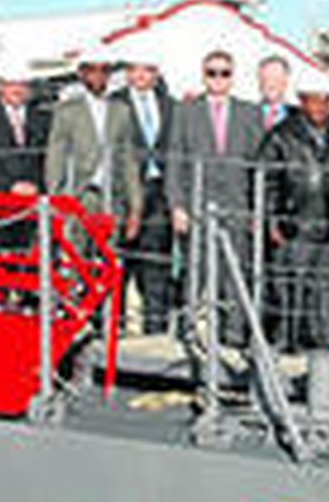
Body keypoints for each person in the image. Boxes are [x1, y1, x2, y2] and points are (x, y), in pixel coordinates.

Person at [166, 50, 263, 341]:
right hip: (197, 203)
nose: (218, 78)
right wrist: (177, 205)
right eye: (212, 72)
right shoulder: (185, 111)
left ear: (232, 77)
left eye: (224, 73)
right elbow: (174, 160)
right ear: (203, 74)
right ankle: (192, 330)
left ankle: (234, 333)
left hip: (237, 204)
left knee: (235, 273)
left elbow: (259, 166)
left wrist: (256, 210)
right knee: (196, 269)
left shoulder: (249, 112)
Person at [258, 69, 329, 349]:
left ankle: (322, 340)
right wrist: (271, 221)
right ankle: (287, 341)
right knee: (289, 287)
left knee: (325, 288)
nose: (318, 107)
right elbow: (267, 181)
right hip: (294, 224)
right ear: (301, 102)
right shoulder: (281, 136)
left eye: (324, 101)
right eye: (312, 100)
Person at [44, 55, 141, 244]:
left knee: (110, 259)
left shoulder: (121, 111)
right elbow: (55, 157)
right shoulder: (67, 111)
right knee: (73, 259)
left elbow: (128, 160)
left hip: (112, 197)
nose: (98, 77)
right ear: (82, 74)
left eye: (104, 70)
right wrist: (56, 199)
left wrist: (135, 206)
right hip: (76, 195)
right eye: (92, 70)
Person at [113, 57, 176, 335]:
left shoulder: (169, 104)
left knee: (156, 263)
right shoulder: (114, 104)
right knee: (119, 263)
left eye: (147, 69)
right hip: (124, 192)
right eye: (135, 69)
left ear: (156, 72)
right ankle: (114, 326)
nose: (140, 75)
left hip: (159, 191)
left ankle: (156, 327)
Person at [0, 49, 52, 195]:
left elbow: (48, 159)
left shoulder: (44, 118)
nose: (18, 89)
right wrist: (9, 187)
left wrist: (38, 186)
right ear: (0, 86)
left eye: (22, 84)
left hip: (36, 199)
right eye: (11, 84)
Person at [256, 55, 297, 135]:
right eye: (266, 79)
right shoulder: (246, 115)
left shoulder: (300, 117)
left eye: (275, 78)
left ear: (286, 81)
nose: (271, 84)